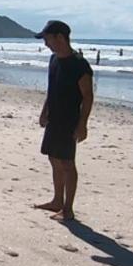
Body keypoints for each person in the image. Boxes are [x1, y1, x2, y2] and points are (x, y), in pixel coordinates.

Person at [33, 20, 94, 222]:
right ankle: (57, 201)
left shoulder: (79, 64)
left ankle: (68, 209)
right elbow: (52, 89)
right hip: (54, 119)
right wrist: (44, 111)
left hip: (69, 120)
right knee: (53, 157)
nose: (46, 44)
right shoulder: (53, 60)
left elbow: (87, 96)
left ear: (60, 37)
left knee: (67, 163)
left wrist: (82, 124)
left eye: (48, 39)